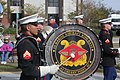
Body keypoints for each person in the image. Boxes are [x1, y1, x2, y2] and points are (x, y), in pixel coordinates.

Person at [16, 14, 59, 80]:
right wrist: (47, 69)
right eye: (35, 25)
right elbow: (27, 68)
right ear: (28, 28)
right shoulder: (25, 43)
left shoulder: (31, 40)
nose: (38, 27)